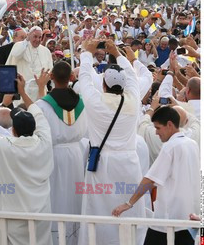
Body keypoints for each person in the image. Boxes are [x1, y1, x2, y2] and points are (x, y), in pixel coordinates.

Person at [77, 38, 145, 245]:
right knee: (129, 215)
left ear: (104, 85)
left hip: (103, 165)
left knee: (99, 214)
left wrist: (87, 53)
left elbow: (85, 78)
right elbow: (133, 77)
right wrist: (117, 53)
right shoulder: (133, 98)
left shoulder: (96, 102)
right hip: (129, 164)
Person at [0, 74, 54, 245]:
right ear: (35, 129)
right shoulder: (45, 142)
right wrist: (23, 92)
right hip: (41, 214)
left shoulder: (5, 147)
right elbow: (39, 114)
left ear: (13, 130)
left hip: (13, 217)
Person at [112, 106, 200, 245]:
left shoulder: (170, 147)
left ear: (169, 125)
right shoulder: (193, 144)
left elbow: (150, 179)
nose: (156, 133)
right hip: (190, 220)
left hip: (168, 221)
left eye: (158, 128)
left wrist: (129, 203)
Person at [37, 61, 87, 245]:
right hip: (75, 154)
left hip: (54, 155)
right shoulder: (81, 102)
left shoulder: (43, 105)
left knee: (56, 196)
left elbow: (38, 126)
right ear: (71, 78)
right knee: (74, 196)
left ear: (51, 77)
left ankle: (56, 239)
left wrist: (39, 88)